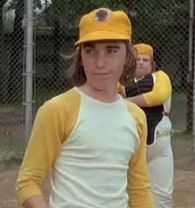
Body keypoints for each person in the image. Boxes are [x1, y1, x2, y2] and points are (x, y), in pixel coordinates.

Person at [15, 8, 154, 208]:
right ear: (81, 57)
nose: (100, 63)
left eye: (111, 50)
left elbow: (139, 188)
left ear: (128, 55)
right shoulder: (58, 110)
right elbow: (28, 182)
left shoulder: (136, 117)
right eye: (90, 51)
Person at [118, 43, 174, 208]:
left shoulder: (160, 76)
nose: (141, 62)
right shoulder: (122, 82)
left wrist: (126, 101)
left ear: (151, 64)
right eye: (137, 59)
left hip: (159, 140)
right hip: (132, 142)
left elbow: (159, 95)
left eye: (145, 60)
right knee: (130, 192)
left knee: (162, 194)